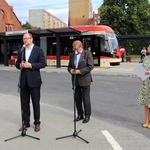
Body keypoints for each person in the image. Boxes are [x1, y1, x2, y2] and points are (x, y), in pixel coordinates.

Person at [15, 33, 46, 132]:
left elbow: (43, 63)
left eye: (27, 38)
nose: (25, 40)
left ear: (31, 39)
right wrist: (21, 65)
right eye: (24, 39)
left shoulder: (38, 50)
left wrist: (31, 65)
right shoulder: (21, 50)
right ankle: (26, 122)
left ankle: (37, 122)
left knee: (35, 103)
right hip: (23, 81)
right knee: (24, 103)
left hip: (34, 81)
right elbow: (17, 63)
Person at [67, 40, 94, 123]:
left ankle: (87, 115)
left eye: (77, 49)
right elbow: (69, 66)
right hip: (75, 80)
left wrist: (80, 71)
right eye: (74, 49)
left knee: (86, 98)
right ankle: (80, 114)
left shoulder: (87, 54)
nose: (75, 51)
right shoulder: (72, 55)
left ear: (81, 47)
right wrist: (70, 70)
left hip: (85, 79)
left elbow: (90, 66)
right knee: (77, 98)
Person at [138, 44, 150, 128]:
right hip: (145, 83)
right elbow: (142, 69)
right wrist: (140, 74)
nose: (148, 48)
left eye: (149, 47)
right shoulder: (146, 58)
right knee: (146, 103)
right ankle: (146, 121)